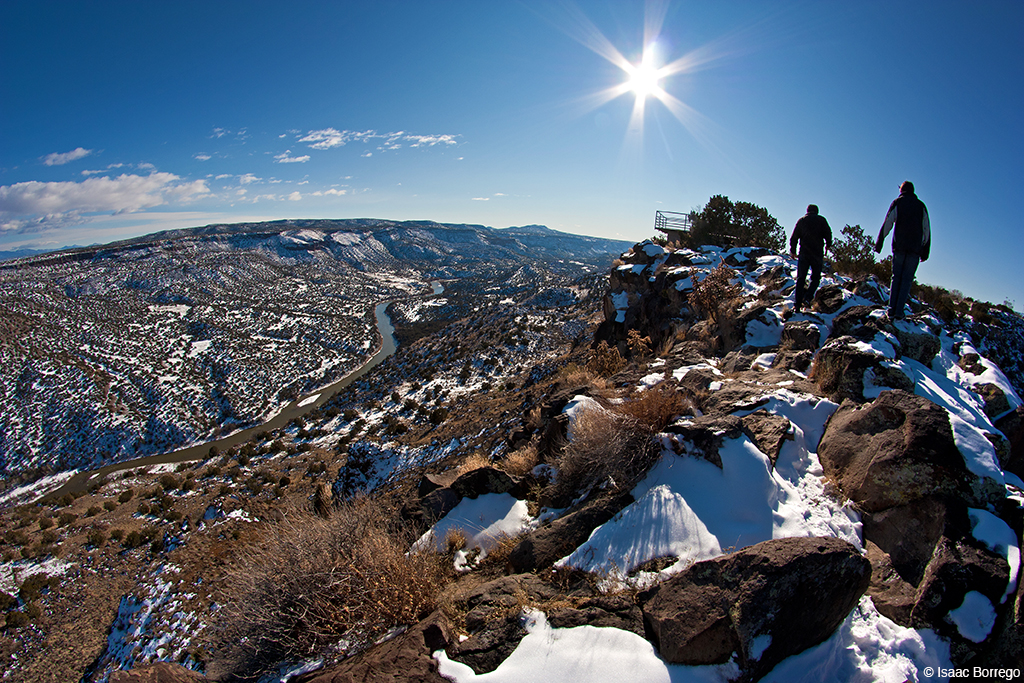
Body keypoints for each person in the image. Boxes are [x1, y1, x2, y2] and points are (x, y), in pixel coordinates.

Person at [875, 181, 930, 319]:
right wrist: (925, 250)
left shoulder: (897, 202)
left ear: (901, 190)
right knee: (907, 280)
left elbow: (888, 222)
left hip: (899, 246)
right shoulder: (921, 205)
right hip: (915, 249)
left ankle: (891, 310)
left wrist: (879, 242)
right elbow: (926, 230)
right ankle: (899, 312)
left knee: (896, 277)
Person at [789, 204, 832, 313]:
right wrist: (828, 245)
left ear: (807, 211)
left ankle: (797, 305)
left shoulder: (802, 221)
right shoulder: (822, 220)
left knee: (801, 279)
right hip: (817, 254)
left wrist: (793, 251)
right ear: (817, 211)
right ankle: (807, 298)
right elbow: (828, 234)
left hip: (804, 253)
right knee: (816, 278)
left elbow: (794, 237)